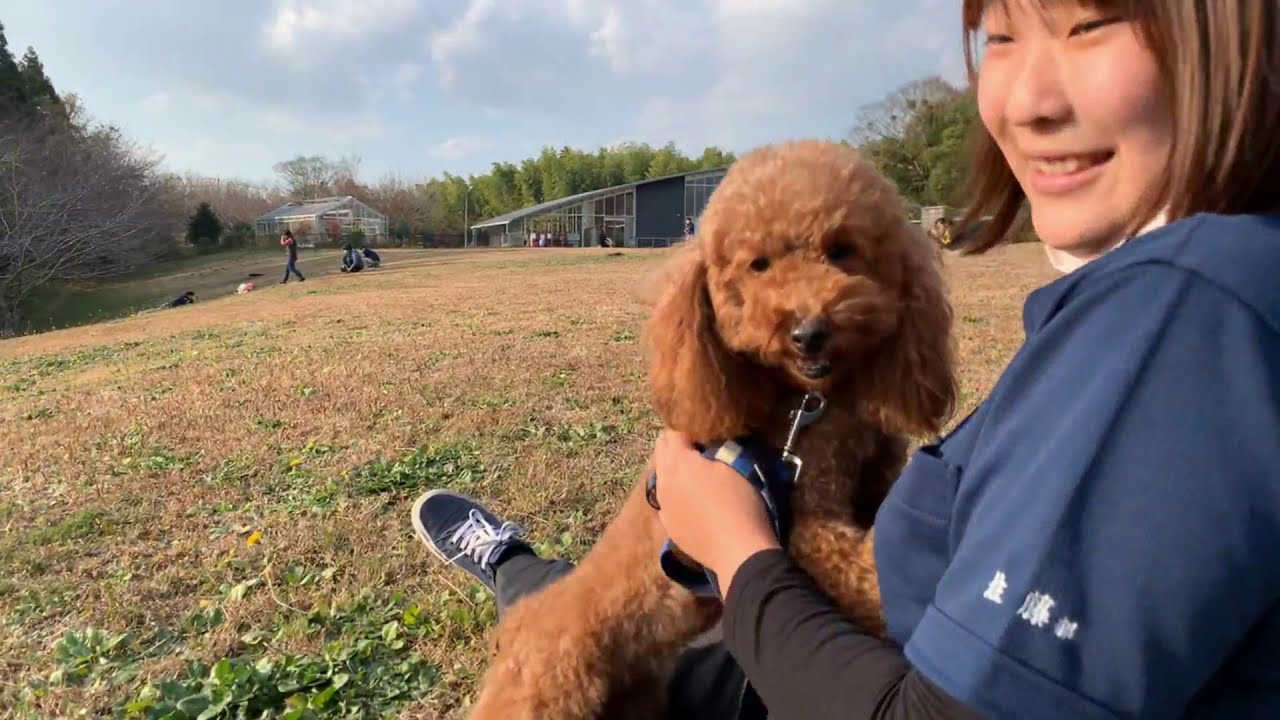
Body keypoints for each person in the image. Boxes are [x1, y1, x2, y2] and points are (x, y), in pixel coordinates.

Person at [411, 1, 1280, 718]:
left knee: (625, 636)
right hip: (765, 632)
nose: (1027, 103)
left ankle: (519, 572)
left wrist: (732, 543)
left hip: (797, 648)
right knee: (570, 639)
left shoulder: (1189, 310)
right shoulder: (1173, 293)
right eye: (1001, 38)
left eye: (1089, 25)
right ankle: (518, 569)